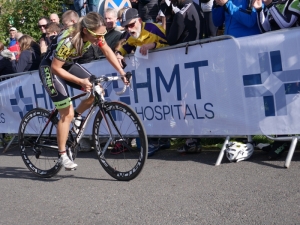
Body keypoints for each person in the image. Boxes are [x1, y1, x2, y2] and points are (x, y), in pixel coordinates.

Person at [38, 12, 129, 170]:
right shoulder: (69, 40)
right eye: (97, 35)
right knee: (67, 113)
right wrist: (80, 81)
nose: (100, 38)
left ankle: (77, 119)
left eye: (103, 34)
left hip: (67, 64)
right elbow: (56, 68)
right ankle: (63, 155)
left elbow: (107, 50)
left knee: (97, 90)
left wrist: (121, 73)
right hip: (51, 69)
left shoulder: (94, 34)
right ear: (86, 31)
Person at [116, 8, 170, 156]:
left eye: (131, 24)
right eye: (126, 26)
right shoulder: (130, 34)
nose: (129, 29)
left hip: (167, 74)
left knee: (166, 105)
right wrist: (120, 54)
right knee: (152, 106)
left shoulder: (153, 28)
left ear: (139, 20)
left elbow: (170, 43)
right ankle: (158, 140)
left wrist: (153, 45)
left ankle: (165, 138)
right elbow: (126, 46)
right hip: (148, 76)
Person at [251, 0, 299, 159]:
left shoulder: (295, 2)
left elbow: (286, 23)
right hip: (279, 61)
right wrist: (259, 11)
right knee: (279, 100)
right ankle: (281, 138)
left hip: (294, 60)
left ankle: (288, 137)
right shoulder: (275, 5)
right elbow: (264, 29)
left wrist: (270, 5)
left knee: (293, 99)